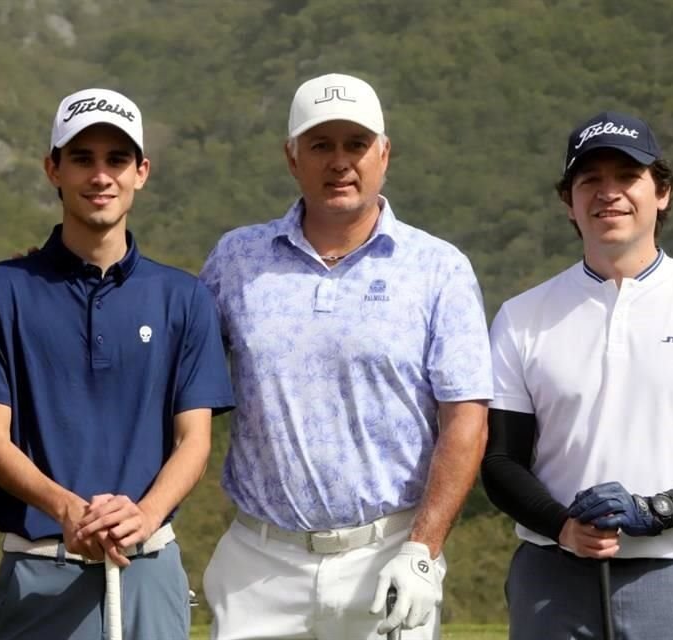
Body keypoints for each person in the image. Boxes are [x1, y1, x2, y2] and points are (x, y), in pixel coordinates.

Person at [199, 73, 493, 640]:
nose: (340, 162)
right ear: (291, 157)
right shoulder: (237, 258)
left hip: (387, 557)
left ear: (385, 153)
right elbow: (171, 371)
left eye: (355, 144)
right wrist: (64, 273)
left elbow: (466, 421)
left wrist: (423, 552)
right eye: (320, 145)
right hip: (259, 565)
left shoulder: (439, 268)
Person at [0, 87, 234, 640]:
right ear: (53, 168)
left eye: (117, 159)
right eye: (82, 158)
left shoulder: (184, 298)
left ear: (141, 172)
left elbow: (194, 441)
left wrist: (144, 516)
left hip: (148, 567)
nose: (101, 176)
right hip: (38, 569)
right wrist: (67, 509)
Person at [481, 111, 673, 640]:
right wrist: (562, 527)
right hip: (552, 576)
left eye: (627, 177)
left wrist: (655, 510)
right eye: (590, 180)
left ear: (662, 192)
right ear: (568, 201)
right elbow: (501, 459)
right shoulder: (521, 315)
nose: (609, 193)